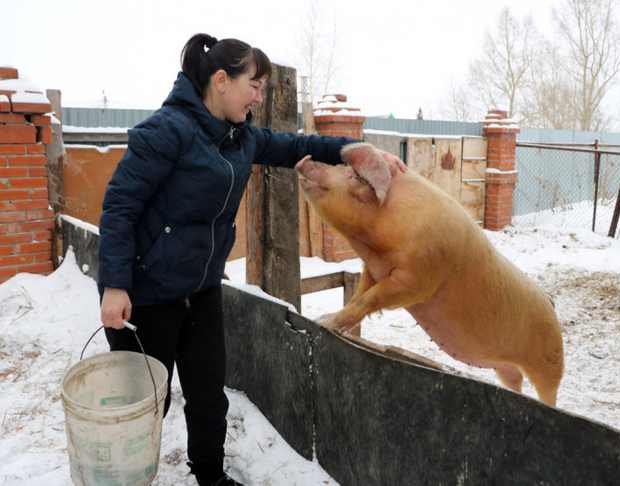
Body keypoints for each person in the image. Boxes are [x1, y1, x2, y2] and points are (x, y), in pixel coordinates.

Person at [98, 33, 401, 486]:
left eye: (262, 88)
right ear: (221, 81)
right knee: (143, 405)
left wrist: (350, 151)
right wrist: (115, 284)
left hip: (200, 292)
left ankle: (210, 476)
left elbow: (293, 145)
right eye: (253, 86)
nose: (259, 96)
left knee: (206, 395)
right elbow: (120, 205)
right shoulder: (168, 131)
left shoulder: (241, 139)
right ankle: (121, 479)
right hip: (147, 295)